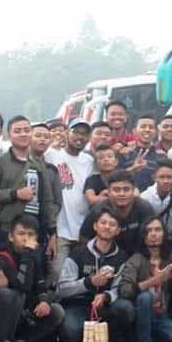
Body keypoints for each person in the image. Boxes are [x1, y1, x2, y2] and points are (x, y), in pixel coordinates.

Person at [56, 209, 136, 342]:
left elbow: (119, 288)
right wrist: (89, 282)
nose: (107, 227)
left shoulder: (122, 257)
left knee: (126, 308)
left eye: (112, 224)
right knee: (70, 330)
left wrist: (106, 296)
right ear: (95, 226)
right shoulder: (78, 253)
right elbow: (62, 288)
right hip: (78, 305)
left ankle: (109, 341)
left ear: (118, 230)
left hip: (106, 308)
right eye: (103, 223)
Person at [118, 216, 172, 342]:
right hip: (140, 314)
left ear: (164, 234)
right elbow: (124, 290)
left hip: (161, 316)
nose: (153, 234)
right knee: (145, 297)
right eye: (148, 231)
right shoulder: (136, 259)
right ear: (143, 236)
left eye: (157, 230)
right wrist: (154, 280)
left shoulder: (170, 261)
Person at [0, 215, 65, 342]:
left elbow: (40, 286)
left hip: (24, 310)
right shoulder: (2, 257)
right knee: (16, 295)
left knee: (56, 311)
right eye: (21, 234)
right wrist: (27, 254)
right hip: (2, 311)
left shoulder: (33, 256)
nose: (26, 239)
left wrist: (44, 301)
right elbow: (22, 286)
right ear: (11, 236)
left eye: (30, 234)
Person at [0, 115, 52, 248]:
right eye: (17, 131)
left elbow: (47, 200)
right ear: (9, 135)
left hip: (34, 231)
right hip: (5, 230)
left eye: (27, 130)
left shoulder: (39, 164)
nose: (23, 134)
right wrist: (15, 194)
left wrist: (52, 230)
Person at [45, 118, 95, 278]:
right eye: (76, 132)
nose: (80, 137)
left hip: (83, 230)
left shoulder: (89, 160)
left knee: (79, 276)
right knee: (57, 273)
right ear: (67, 133)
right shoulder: (51, 155)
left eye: (84, 134)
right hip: (60, 230)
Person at [79, 170, 154, 256]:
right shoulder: (98, 209)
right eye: (116, 190)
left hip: (137, 256)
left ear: (133, 190)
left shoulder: (144, 208)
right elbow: (84, 237)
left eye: (126, 189)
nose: (122, 194)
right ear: (109, 192)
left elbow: (153, 236)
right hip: (106, 256)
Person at [139, 157, 172, 259]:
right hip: (151, 242)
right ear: (154, 177)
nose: (166, 181)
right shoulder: (145, 197)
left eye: (169, 177)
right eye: (161, 177)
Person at [29, 122, 62, 258]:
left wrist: (47, 216)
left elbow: (57, 202)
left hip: (42, 228)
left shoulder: (51, 170)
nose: (42, 139)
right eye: (38, 136)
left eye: (46, 137)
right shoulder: (18, 163)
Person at [123, 115, 165, 191]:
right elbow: (115, 178)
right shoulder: (125, 153)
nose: (147, 130)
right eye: (143, 126)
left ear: (156, 132)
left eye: (151, 127)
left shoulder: (162, 156)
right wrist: (133, 169)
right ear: (134, 131)